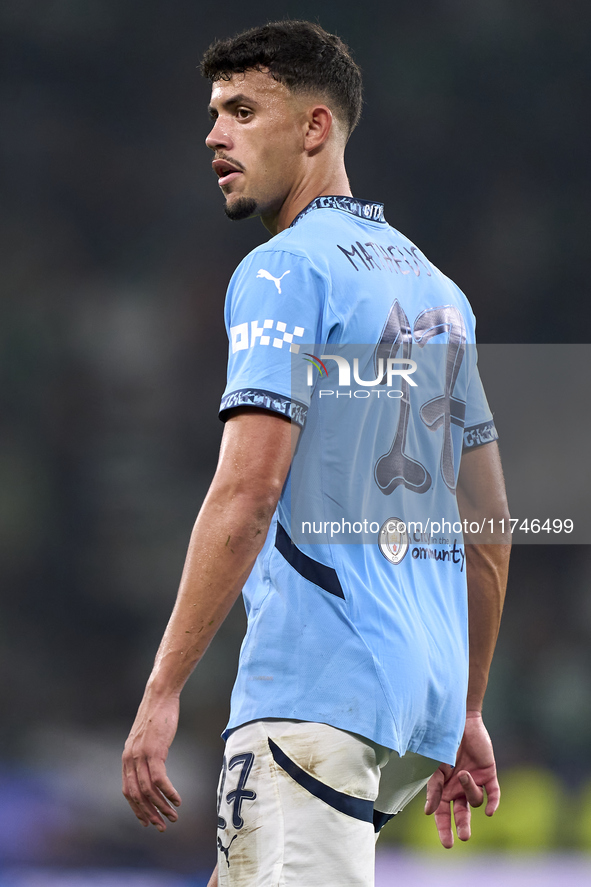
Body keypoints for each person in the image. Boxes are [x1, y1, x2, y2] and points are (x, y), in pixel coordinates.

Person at [122, 20, 511, 886]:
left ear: (313, 127)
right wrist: (469, 705)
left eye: (241, 110)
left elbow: (247, 492)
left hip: (314, 696)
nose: (214, 136)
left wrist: (160, 691)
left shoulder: (283, 270)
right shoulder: (436, 290)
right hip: (417, 709)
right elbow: (487, 522)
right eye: (213, 114)